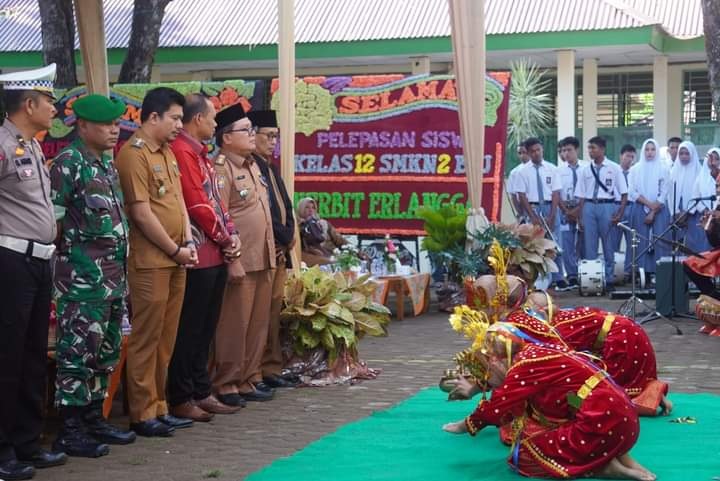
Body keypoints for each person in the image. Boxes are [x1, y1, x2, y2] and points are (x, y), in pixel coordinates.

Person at [442, 320, 654, 481]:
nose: (490, 369)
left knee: (523, 454)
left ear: (498, 357)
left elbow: (498, 405)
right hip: (623, 420)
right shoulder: (537, 351)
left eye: (489, 363)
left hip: (603, 423)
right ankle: (621, 458)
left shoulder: (521, 367)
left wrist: (466, 425)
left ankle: (604, 468)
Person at [49, 94, 137, 458]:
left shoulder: (106, 163)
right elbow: (52, 222)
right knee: (77, 354)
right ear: (82, 126)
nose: (114, 129)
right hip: (82, 280)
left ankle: (92, 417)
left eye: (117, 123)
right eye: (105, 124)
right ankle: (69, 429)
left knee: (105, 351)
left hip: (113, 279)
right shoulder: (68, 163)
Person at [116, 87, 198, 437]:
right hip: (152, 261)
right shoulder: (134, 154)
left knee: (167, 338)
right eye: (175, 118)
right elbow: (141, 213)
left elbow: (178, 202)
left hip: (177, 257)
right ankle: (141, 411)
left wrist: (190, 241)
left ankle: (159, 405)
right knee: (147, 338)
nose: (181, 124)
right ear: (152, 117)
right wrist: (175, 249)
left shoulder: (166, 152)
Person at [0, 64, 68, 480]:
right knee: (6, 358)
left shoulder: (32, 145)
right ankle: (3, 448)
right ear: (29, 104)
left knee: (31, 357)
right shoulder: (4, 144)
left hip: (39, 261)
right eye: (50, 102)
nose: (55, 110)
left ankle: (26, 442)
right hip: (10, 262)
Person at [166, 94, 242, 422]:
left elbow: (216, 200)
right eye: (212, 119)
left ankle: (201, 390)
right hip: (198, 255)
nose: (215, 124)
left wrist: (231, 233)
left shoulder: (201, 154)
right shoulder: (182, 151)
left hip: (215, 253)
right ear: (198, 120)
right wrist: (226, 238)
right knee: (190, 330)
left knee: (205, 330)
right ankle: (182, 396)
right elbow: (197, 204)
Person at [212, 104, 276, 405]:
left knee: (257, 324)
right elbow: (220, 217)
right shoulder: (221, 168)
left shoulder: (252, 164)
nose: (252, 135)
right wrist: (232, 259)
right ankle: (227, 383)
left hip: (263, 256)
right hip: (241, 259)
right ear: (226, 137)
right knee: (234, 326)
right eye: (246, 130)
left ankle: (249, 378)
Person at [525, 291, 672, 417]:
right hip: (626, 333)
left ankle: (652, 398)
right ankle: (653, 394)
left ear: (542, 312)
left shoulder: (558, 328)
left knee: (608, 393)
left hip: (622, 341)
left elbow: (568, 360)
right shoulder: (563, 315)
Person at [247, 109, 299, 389]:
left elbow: (285, 206)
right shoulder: (250, 167)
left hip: (280, 249)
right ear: (252, 135)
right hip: (265, 250)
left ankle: (270, 367)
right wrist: (283, 235)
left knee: (273, 313)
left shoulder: (269, 166)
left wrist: (290, 231)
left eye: (275, 137)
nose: (272, 142)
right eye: (268, 136)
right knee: (259, 317)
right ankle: (255, 371)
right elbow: (263, 210)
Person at [575, 136, 627, 292]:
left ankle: (610, 279)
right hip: (589, 206)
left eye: (594, 148)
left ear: (602, 149)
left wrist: (619, 214)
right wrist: (579, 217)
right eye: (589, 148)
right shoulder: (584, 169)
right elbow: (581, 195)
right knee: (590, 245)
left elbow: (624, 193)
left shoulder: (614, 168)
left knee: (608, 244)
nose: (590, 151)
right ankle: (593, 281)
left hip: (607, 206)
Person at [516, 137, 566, 290]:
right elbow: (522, 195)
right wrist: (532, 216)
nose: (536, 153)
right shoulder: (522, 171)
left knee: (555, 242)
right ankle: (541, 278)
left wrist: (552, 215)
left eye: (538, 150)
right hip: (533, 208)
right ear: (529, 153)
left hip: (550, 207)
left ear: (542, 150)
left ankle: (558, 278)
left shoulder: (552, 168)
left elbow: (556, 192)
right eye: (533, 151)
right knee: (536, 245)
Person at [627, 139, 671, 285]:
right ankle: (641, 273)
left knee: (660, 241)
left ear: (657, 151)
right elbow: (632, 191)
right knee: (640, 241)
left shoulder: (664, 169)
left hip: (659, 209)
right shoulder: (635, 169)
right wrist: (649, 205)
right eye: (647, 149)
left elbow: (664, 192)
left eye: (653, 149)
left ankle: (660, 273)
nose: (650, 152)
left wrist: (653, 210)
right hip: (639, 208)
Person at [684, 171, 720, 301]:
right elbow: (715, 243)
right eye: (716, 186)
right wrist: (709, 230)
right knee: (689, 264)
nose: (718, 190)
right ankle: (714, 297)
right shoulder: (717, 206)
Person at [556, 136, 586, 289]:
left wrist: (578, 210)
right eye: (563, 150)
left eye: (569, 150)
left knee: (584, 243)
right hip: (565, 211)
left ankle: (586, 274)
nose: (566, 153)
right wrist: (566, 211)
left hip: (583, 208)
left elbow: (587, 191)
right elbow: (556, 192)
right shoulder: (558, 171)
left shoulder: (587, 168)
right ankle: (572, 275)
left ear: (577, 150)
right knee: (566, 244)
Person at [667, 141, 702, 254]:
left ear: (692, 154)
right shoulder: (674, 171)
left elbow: (698, 194)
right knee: (677, 245)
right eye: (681, 153)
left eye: (687, 153)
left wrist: (687, 212)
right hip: (677, 213)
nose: (683, 156)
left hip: (693, 213)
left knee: (693, 244)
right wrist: (675, 211)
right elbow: (670, 194)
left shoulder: (699, 172)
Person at [610, 144, 637, 283]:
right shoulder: (614, 170)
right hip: (616, 206)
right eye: (627, 156)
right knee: (613, 241)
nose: (629, 159)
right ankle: (613, 272)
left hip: (631, 207)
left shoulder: (636, 172)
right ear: (621, 156)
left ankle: (628, 271)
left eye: (632, 157)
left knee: (631, 241)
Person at [296, 197, 349, 266]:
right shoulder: (297, 226)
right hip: (311, 257)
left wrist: (355, 250)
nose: (310, 210)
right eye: (307, 207)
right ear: (301, 209)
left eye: (313, 208)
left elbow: (340, 240)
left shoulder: (323, 224)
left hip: (329, 254)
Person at [688, 147, 720, 253]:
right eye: (710, 159)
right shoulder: (700, 177)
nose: (713, 162)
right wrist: (705, 210)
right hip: (706, 215)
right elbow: (695, 196)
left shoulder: (718, 176)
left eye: (716, 159)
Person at [506, 143, 530, 221]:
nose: (522, 155)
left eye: (525, 152)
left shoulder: (540, 168)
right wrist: (520, 213)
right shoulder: (514, 172)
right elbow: (513, 195)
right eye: (520, 153)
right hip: (523, 209)